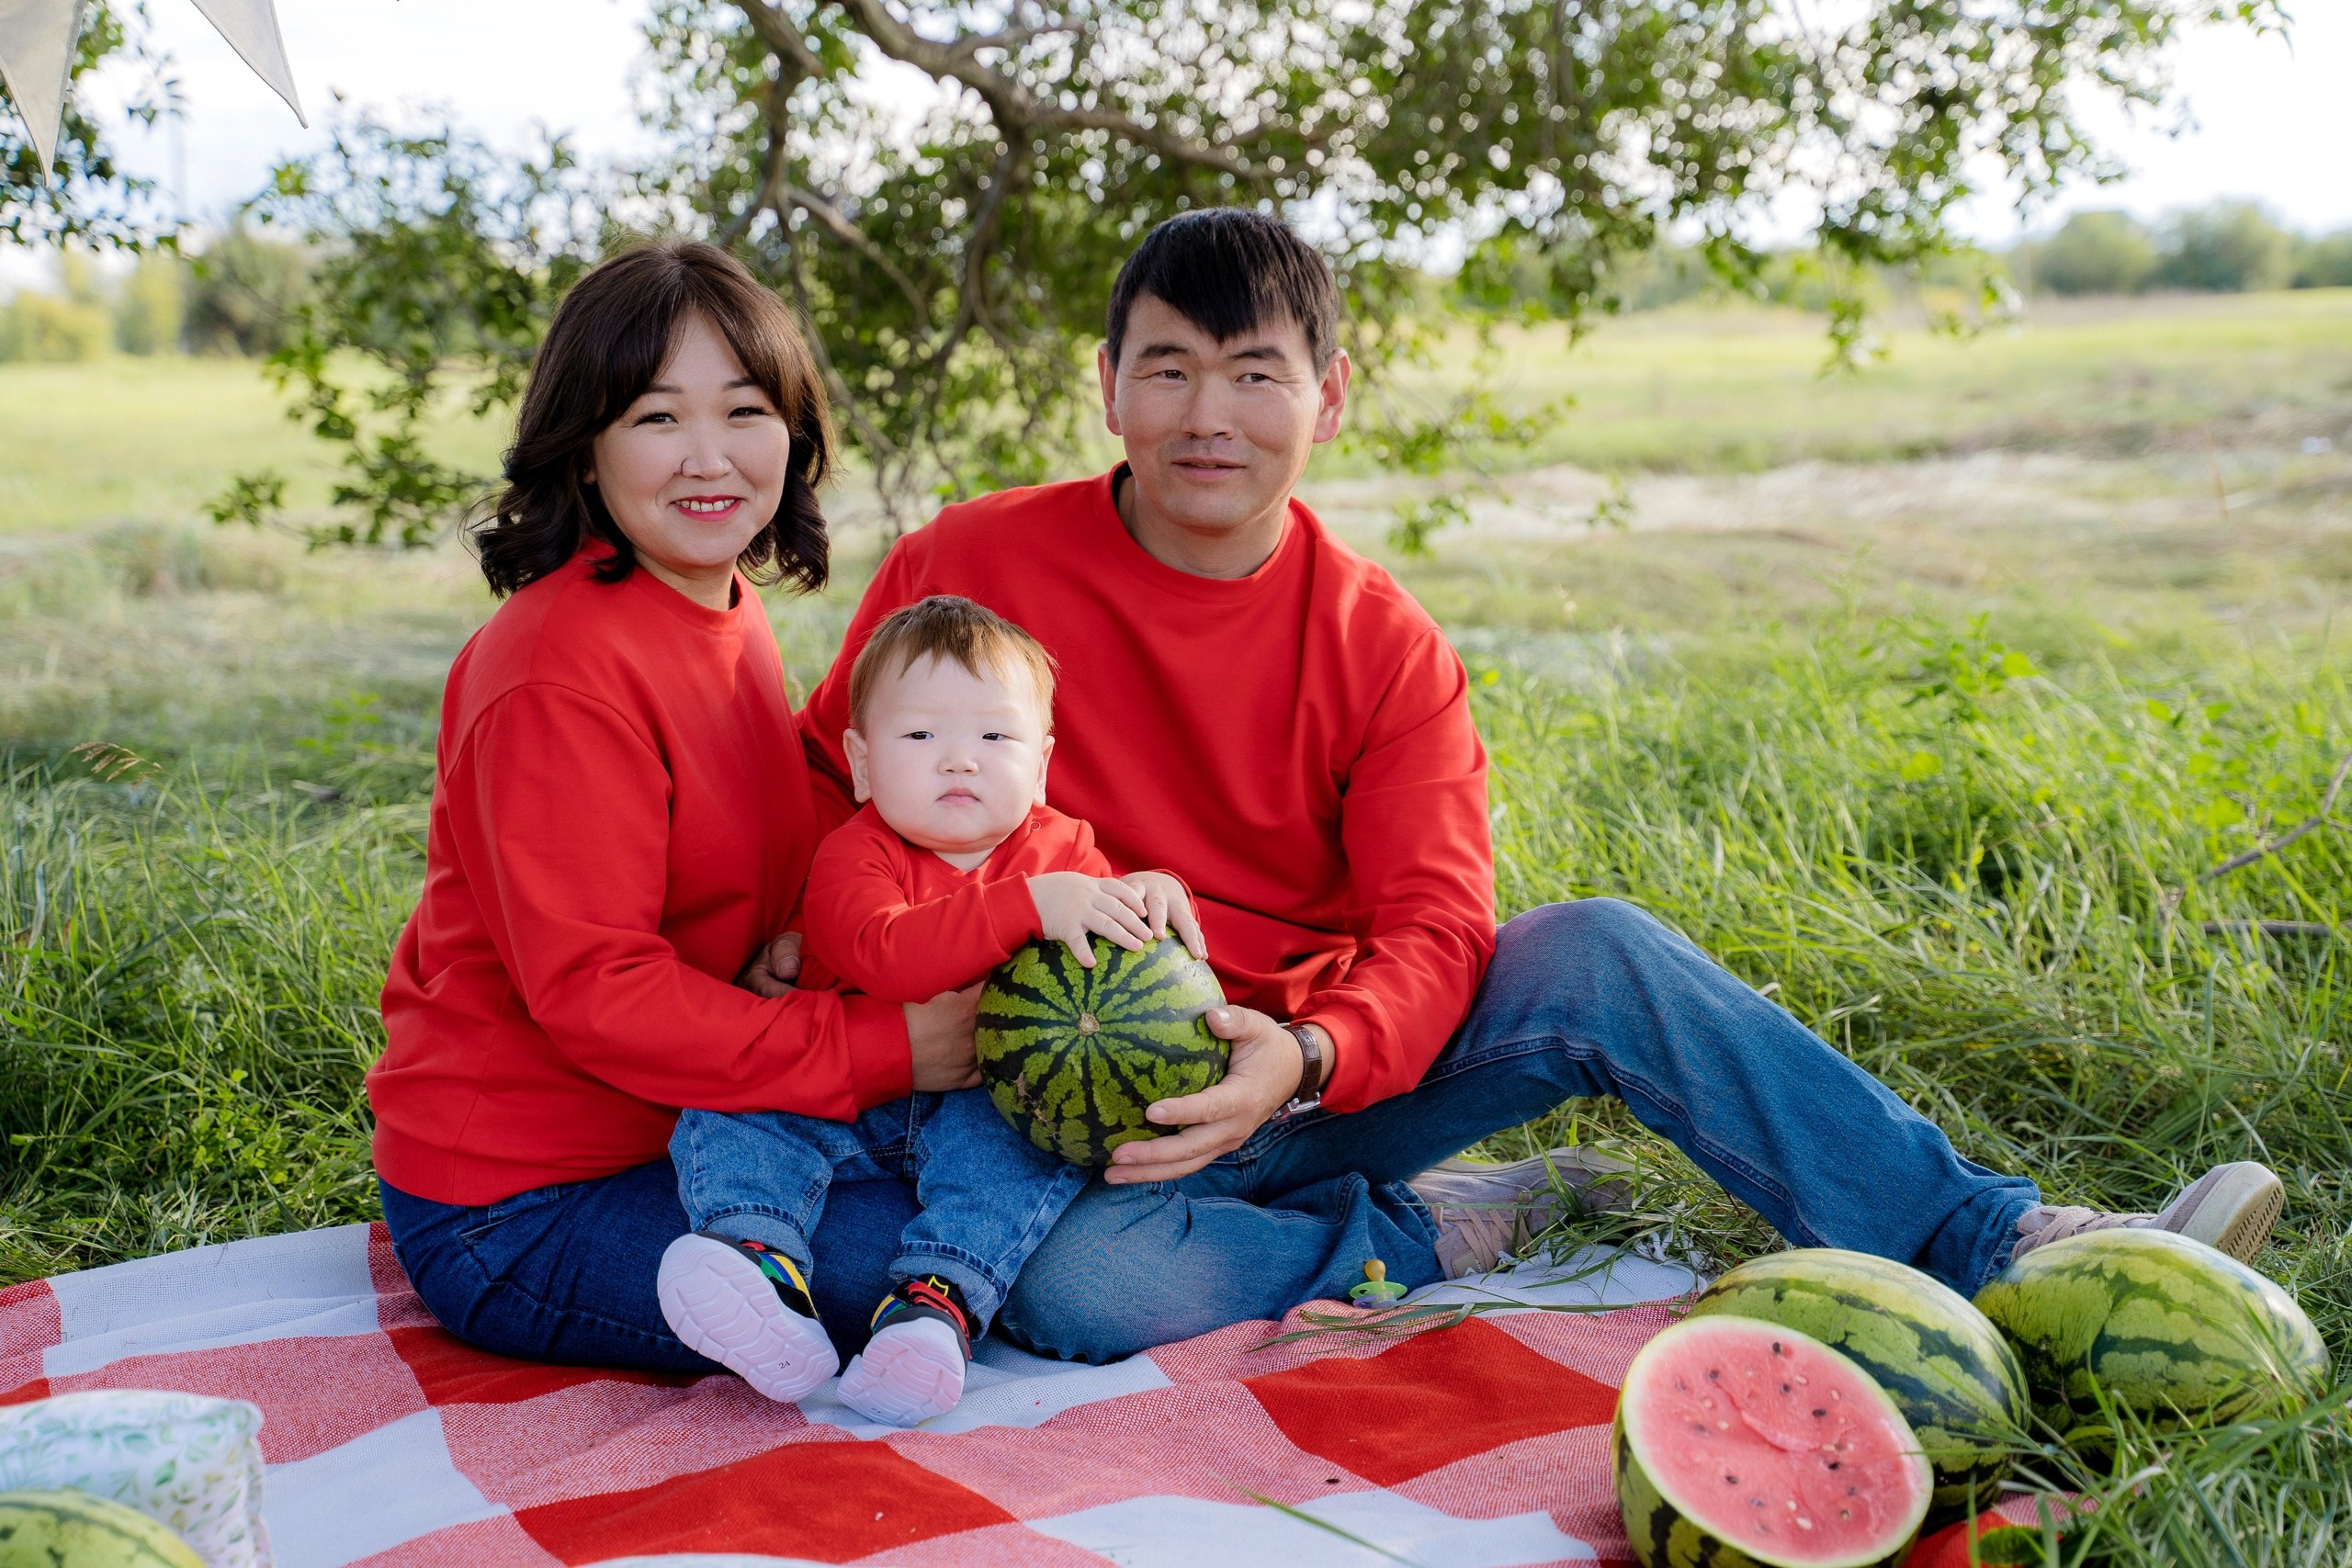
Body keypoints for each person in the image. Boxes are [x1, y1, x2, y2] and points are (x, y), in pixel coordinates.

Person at [778, 208, 2286, 1365]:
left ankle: (1993, 1232)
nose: (1207, 414)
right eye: (1166, 367)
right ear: (1108, 387)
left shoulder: (1382, 644)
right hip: (1069, 1096)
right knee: (1073, 1287)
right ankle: (1444, 1223)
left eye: (1255, 372)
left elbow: (1439, 933)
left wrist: (1301, 1058)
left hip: (1311, 1064)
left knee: (1600, 950)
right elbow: (816, 774)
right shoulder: (968, 566)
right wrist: (803, 949)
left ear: (1332, 395)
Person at [367, 240, 986, 1371]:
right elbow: (600, 993)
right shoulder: (556, 671)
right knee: (972, 1271)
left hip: (700, 1128)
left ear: (792, 433)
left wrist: (809, 938)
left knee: (995, 1197)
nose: (710, 458)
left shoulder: (719, 599)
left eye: (744, 411)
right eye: (657, 418)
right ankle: (1359, 1253)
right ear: (585, 450)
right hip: (523, 1203)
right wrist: (886, 1044)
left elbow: (744, 831)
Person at [656, 594, 1200, 1423]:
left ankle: (932, 1308)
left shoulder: (1066, 851)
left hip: (983, 1100)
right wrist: (1029, 905)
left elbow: (1112, 949)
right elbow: (888, 954)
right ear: (864, 761)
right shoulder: (855, 853)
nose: (960, 762)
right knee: (738, 1108)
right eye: (920, 737)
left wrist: (1152, 896)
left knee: (1019, 1159)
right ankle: (757, 1261)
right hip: (849, 1098)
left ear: (1043, 762)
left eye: (995, 737)